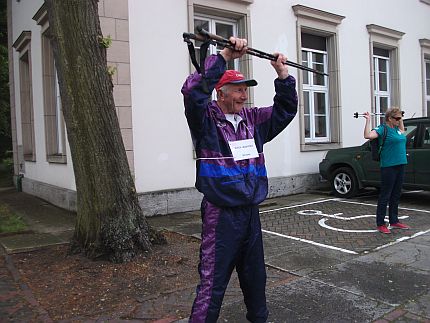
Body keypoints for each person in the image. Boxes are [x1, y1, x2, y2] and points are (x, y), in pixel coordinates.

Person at [181, 37, 297, 322]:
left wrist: (282, 75)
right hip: (220, 214)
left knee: (256, 279)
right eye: (238, 90)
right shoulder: (205, 119)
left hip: (250, 213)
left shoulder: (253, 120)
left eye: (246, 90)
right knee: (212, 284)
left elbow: (285, 110)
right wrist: (224, 56)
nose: (244, 96)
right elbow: (193, 91)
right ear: (220, 92)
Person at [363, 108, 411, 234]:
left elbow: (402, 130)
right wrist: (368, 120)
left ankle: (394, 221)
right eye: (397, 118)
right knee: (385, 195)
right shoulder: (382, 129)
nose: (399, 120)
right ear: (389, 118)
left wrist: (400, 116)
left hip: (401, 165)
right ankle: (380, 223)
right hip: (389, 166)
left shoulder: (397, 130)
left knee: (396, 194)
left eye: (400, 118)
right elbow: (367, 135)